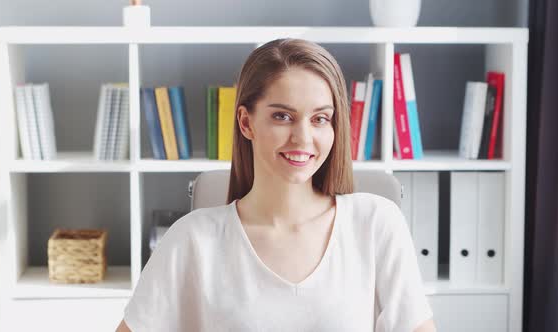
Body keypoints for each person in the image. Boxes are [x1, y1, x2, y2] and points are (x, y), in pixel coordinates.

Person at [116, 38, 436, 332]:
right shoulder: (192, 239)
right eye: (282, 116)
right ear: (246, 122)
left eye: (320, 118)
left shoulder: (376, 222)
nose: (303, 138)